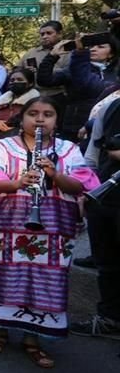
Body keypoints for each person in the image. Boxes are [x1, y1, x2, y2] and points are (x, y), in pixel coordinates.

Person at [0, 97, 97, 367]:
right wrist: (17, 183)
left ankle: (32, 338)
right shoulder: (3, 146)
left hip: (52, 229)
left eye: (47, 114)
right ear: (22, 118)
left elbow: (82, 185)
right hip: (8, 224)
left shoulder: (68, 150)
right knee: (5, 274)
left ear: (56, 120)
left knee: (45, 278)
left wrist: (56, 175)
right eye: (33, 114)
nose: (40, 119)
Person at [71, 93, 120, 338]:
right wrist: (86, 190)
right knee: (107, 262)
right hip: (107, 196)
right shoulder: (111, 107)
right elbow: (92, 154)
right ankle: (109, 319)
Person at [37, 32, 119, 141]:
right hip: (75, 126)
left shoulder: (115, 74)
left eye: (100, 47)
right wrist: (52, 56)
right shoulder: (74, 69)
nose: (93, 49)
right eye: (90, 46)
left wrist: (80, 54)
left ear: (111, 53)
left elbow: (96, 87)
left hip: (107, 125)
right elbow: (45, 80)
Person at [19, 21, 70, 119]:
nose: (44, 36)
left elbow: (69, 74)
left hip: (59, 96)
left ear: (59, 34)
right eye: (42, 34)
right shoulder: (31, 53)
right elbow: (17, 72)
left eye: (49, 33)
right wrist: (26, 73)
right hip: (33, 96)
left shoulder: (68, 52)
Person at [0, 67, 39, 137]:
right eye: (12, 80)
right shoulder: (2, 101)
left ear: (30, 83)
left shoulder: (36, 102)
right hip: (2, 138)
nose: (15, 82)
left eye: (20, 80)